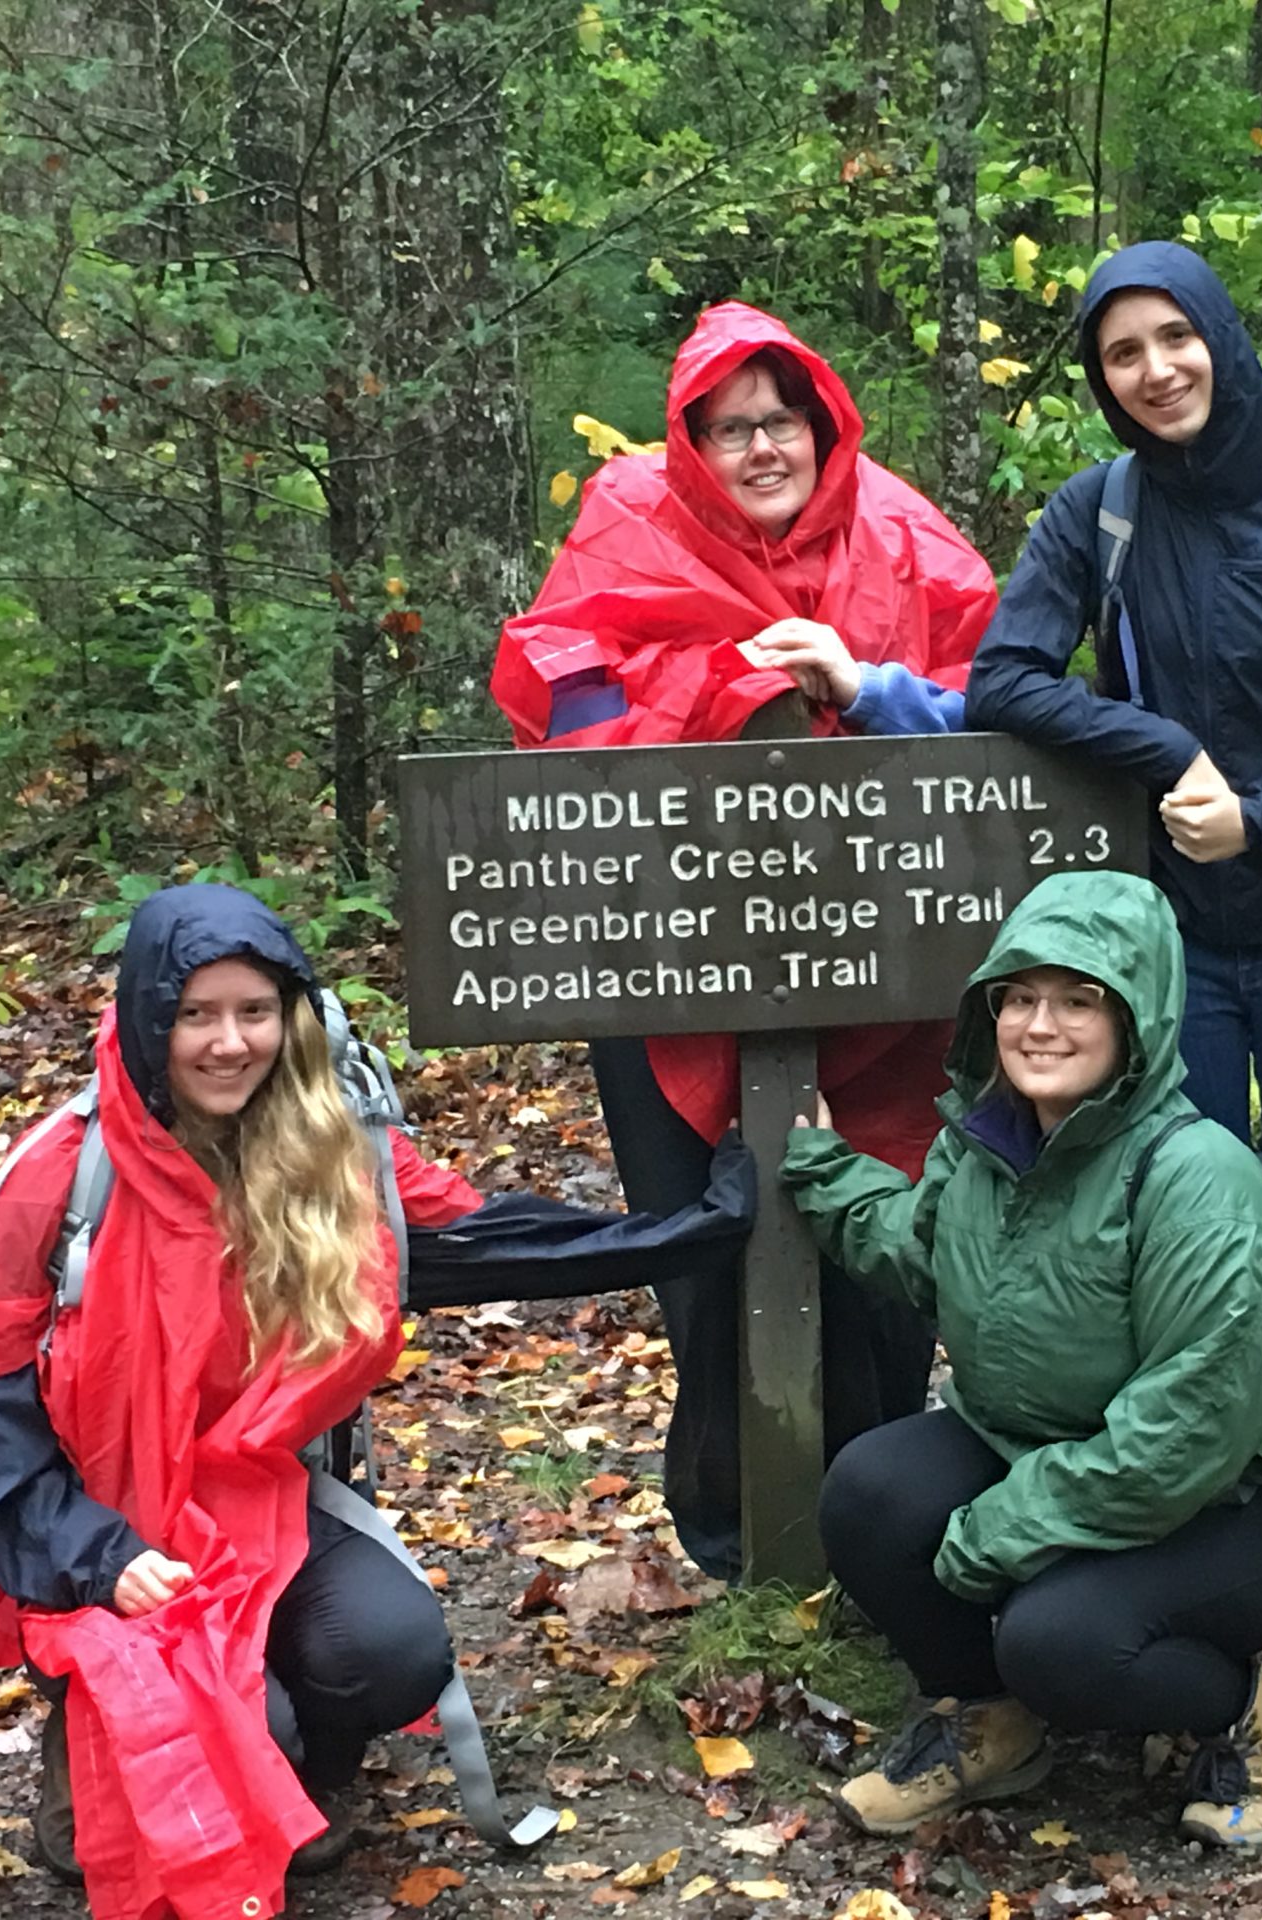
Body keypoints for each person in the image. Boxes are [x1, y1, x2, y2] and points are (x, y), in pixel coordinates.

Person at [0, 884, 750, 1917]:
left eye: (254, 1011)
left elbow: (488, 1239)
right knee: (199, 1719)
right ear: (148, 1017)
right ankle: (103, 1744)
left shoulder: (334, 1153)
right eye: (195, 1015)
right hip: (100, 1532)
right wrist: (103, 1560)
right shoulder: (60, 1181)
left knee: (388, 1656)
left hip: (259, 1508)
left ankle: (295, 1764)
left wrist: (702, 1222)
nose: (227, 1043)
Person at [963, 243, 1262, 1719]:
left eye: (1175, 338)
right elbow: (1005, 678)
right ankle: (1202, 1542)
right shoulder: (1094, 518)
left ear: (1221, 338)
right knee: (1182, 1247)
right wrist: (1167, 756)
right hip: (1176, 955)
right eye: (1121, 353)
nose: (1154, 370)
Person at [494, 302, 998, 1582]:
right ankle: (738, 1537)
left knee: (891, 1229)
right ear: (689, 443)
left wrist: (857, 691)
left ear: (820, 420)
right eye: (730, 429)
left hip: (889, 955)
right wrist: (715, 700)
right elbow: (560, 700)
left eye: (780, 421)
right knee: (702, 1245)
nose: (761, 449)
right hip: (675, 959)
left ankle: (882, 1516)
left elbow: (1003, 709)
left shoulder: (902, 531)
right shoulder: (628, 520)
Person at [783, 871, 1262, 1846]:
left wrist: (997, 1528)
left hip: (1245, 1501)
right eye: (1018, 997)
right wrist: (827, 1177)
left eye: (1078, 999)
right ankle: (993, 1721)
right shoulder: (987, 1144)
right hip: (1045, 1446)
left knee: (1059, 1639)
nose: (1039, 1026)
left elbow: (1184, 1434)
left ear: (1135, 1017)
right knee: (870, 1496)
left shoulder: (1192, 1175)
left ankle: (1248, 1707)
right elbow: (926, 1251)